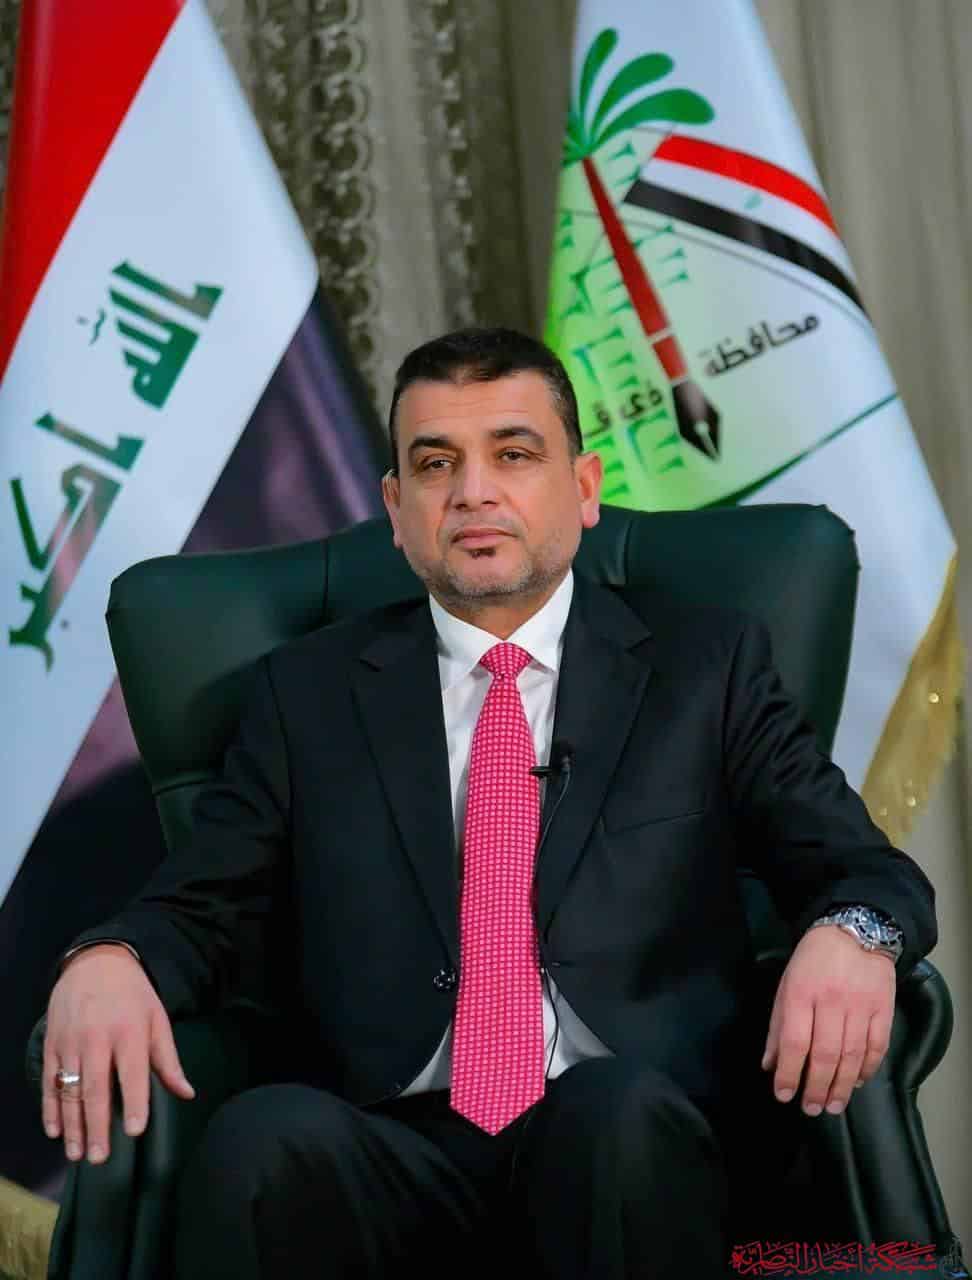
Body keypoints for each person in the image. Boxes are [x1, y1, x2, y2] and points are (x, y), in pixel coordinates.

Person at [42, 328, 937, 1279]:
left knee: (610, 1117)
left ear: (583, 488)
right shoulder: (306, 695)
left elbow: (863, 869)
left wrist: (851, 934)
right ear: (397, 510)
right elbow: (202, 905)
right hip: (392, 1141)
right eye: (436, 464)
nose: (473, 491)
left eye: (513, 454)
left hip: (632, 1139)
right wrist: (111, 958)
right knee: (263, 1140)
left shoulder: (705, 667)